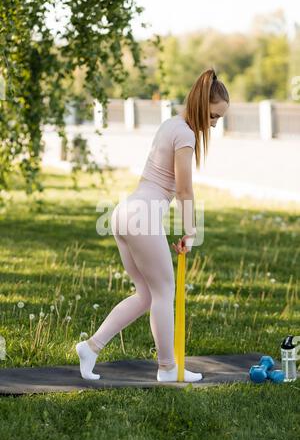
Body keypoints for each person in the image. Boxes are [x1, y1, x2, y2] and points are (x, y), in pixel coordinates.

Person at [76, 68, 230, 382]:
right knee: (164, 292)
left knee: (145, 294)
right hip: (142, 214)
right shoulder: (185, 135)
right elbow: (185, 190)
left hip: (125, 211)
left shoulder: (169, 125)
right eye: (214, 116)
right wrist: (190, 229)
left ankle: (91, 347)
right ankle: (167, 368)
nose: (214, 124)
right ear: (202, 107)